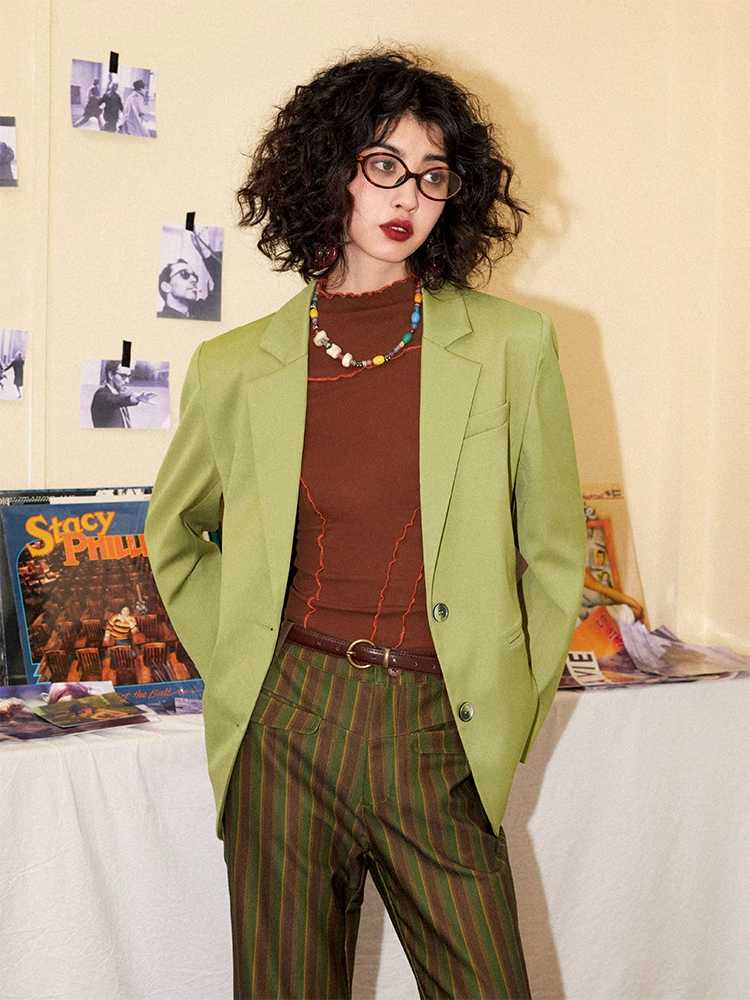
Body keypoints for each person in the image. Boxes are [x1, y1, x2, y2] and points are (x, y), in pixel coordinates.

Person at [144, 45, 586, 1000]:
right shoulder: (235, 367)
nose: (408, 196)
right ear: (328, 170)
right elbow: (174, 535)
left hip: (437, 722)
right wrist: (248, 669)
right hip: (286, 726)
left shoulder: (512, 347)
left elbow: (555, 555)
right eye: (383, 163)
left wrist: (505, 713)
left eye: (434, 174)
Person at [90, 361, 155, 428]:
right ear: (111, 375)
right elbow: (113, 400)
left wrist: (136, 397)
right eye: (123, 376)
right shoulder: (101, 395)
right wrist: (134, 397)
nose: (127, 381)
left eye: (129, 376)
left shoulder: (120, 396)